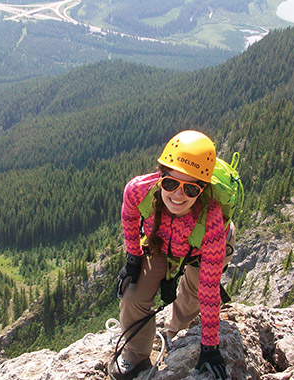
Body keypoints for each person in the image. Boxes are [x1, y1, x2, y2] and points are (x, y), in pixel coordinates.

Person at [115, 130, 229, 380]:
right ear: (160, 176)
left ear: (203, 190)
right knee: (132, 295)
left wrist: (209, 346)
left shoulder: (211, 221)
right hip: (160, 243)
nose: (178, 195)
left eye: (191, 189)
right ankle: (136, 355)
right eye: (170, 183)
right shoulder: (139, 190)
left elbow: (209, 288)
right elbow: (130, 217)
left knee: (191, 296)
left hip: (201, 250)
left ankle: (174, 332)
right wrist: (133, 258)